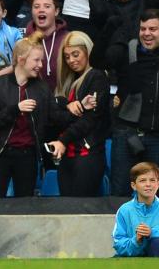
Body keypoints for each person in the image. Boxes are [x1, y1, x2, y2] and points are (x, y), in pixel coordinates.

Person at [90, 9, 159, 197]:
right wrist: (108, 29)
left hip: (158, 137)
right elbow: (96, 61)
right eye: (143, 28)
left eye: (153, 29)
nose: (146, 33)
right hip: (126, 134)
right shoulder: (126, 50)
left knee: (156, 196)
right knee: (119, 193)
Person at [0, 32, 72, 197]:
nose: (40, 65)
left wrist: (75, 107)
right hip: (1, 153)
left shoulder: (41, 88)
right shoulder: (1, 85)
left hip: (28, 155)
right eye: (36, 60)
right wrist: (15, 109)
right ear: (21, 60)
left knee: (24, 204)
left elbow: (55, 117)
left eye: (41, 60)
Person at [46, 31, 109, 196]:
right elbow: (54, 115)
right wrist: (67, 105)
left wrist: (62, 140)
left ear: (88, 52)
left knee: (81, 211)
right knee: (67, 212)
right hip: (67, 155)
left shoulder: (97, 77)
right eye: (67, 57)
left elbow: (89, 121)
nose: (71, 61)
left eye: (76, 54)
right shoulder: (68, 82)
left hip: (87, 156)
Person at [112, 162, 159, 257]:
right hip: (131, 261)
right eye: (142, 180)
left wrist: (152, 232)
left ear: (158, 184)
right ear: (133, 185)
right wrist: (136, 240)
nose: (148, 184)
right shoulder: (124, 210)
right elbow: (118, 244)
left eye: (152, 180)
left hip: (158, 259)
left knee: (157, 242)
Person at [23, 0, 69, 92]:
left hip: (64, 102)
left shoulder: (68, 39)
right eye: (36, 6)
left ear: (56, 11)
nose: (41, 10)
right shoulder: (24, 42)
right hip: (32, 102)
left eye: (47, 6)